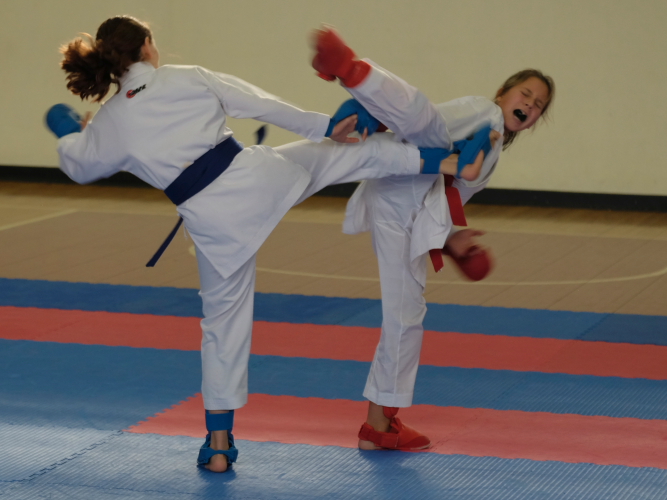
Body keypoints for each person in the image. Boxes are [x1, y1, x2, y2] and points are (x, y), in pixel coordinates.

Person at [49, 16, 469, 473]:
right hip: (254, 179)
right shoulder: (184, 77)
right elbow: (259, 104)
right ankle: (444, 161)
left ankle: (218, 444)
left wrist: (70, 131)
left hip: (210, 219)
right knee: (344, 156)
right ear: (147, 45)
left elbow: (79, 166)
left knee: (221, 325)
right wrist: (327, 126)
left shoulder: (111, 119)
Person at [311, 26, 555, 451]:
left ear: (535, 121)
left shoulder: (493, 148)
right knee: (425, 121)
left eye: (538, 105)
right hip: (404, 175)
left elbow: (441, 198)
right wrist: (378, 117)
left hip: (404, 203)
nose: (529, 105)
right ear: (503, 93)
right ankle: (355, 73)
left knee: (406, 313)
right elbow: (431, 121)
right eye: (525, 94)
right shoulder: (484, 111)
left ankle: (380, 424)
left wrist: (453, 240)